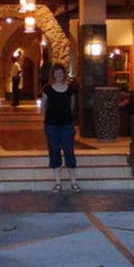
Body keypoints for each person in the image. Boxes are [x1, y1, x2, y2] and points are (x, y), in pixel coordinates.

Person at [41, 64, 80, 192]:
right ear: (53, 74)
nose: (59, 75)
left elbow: (72, 107)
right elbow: (43, 106)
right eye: (56, 72)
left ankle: (74, 182)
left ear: (64, 74)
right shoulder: (47, 89)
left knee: (69, 150)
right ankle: (58, 182)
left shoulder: (70, 90)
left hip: (67, 124)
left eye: (61, 72)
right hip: (51, 125)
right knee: (54, 151)